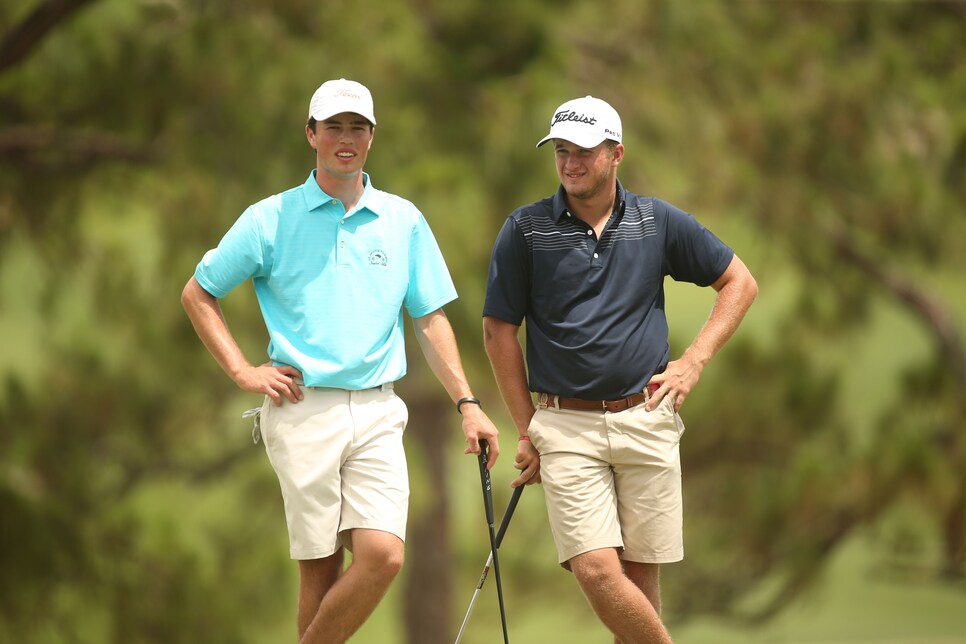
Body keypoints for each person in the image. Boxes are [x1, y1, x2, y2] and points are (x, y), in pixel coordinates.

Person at [181, 78, 501, 644]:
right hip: (303, 408)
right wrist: (241, 370)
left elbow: (429, 318)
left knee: (383, 555)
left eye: (357, 127)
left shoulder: (402, 220)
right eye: (333, 128)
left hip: (379, 408)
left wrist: (468, 404)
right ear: (311, 135)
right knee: (321, 567)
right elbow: (198, 294)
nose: (345, 139)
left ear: (372, 138)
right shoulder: (268, 218)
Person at [482, 95, 758, 643]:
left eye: (584, 151)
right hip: (564, 424)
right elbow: (498, 331)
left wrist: (692, 362)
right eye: (561, 151)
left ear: (616, 153)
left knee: (638, 579)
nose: (570, 163)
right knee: (595, 570)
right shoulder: (527, 230)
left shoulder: (657, 222)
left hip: (646, 416)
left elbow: (739, 283)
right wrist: (526, 427)